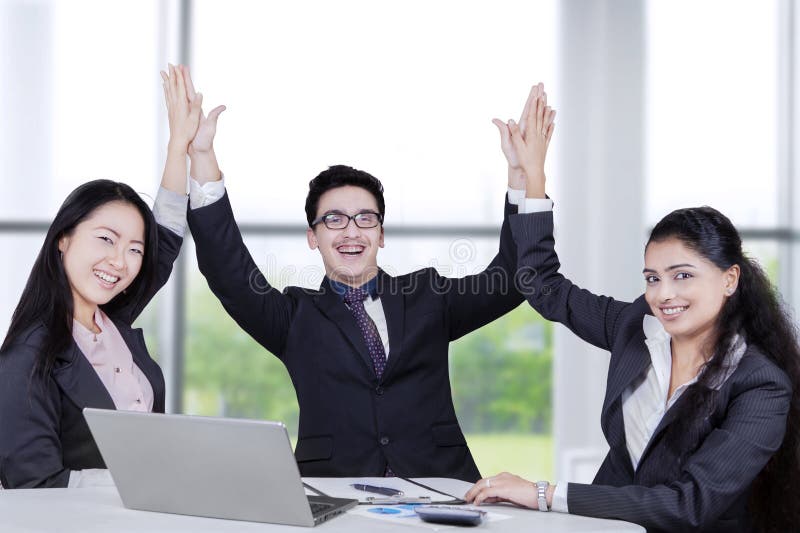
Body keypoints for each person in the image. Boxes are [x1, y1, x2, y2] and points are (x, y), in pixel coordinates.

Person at [165, 70, 554, 482]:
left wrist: (522, 178)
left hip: (438, 487)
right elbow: (229, 271)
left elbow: (513, 279)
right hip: (334, 489)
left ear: (381, 235)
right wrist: (203, 157)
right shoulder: (294, 317)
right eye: (334, 219)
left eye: (365, 219)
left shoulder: (427, 296)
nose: (351, 230)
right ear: (313, 237)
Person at [464, 85, 800, 532]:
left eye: (682, 275)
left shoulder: (761, 386)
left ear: (729, 279)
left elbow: (689, 505)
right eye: (652, 278)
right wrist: (531, 177)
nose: (663, 294)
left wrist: (543, 493)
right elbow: (542, 286)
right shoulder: (636, 327)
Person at [0, 64, 220, 488]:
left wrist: (180, 148)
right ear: (63, 238)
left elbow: (166, 237)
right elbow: (35, 484)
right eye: (105, 238)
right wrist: (140, 486)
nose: (120, 261)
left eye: (134, 249)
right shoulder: (27, 360)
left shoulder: (111, 319)